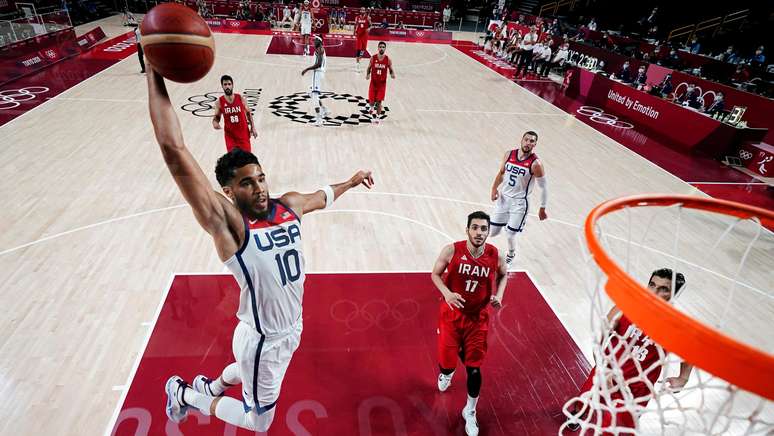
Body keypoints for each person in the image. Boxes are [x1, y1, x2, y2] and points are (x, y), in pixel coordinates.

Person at [145, 64, 375, 434]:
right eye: (247, 184)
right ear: (229, 193)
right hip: (262, 339)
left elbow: (322, 196)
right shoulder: (231, 227)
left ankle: (212, 386)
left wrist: (351, 180)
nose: (260, 188)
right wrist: (154, 71)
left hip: (291, 329)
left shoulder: (289, 206)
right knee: (259, 421)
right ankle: (184, 394)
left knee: (245, 370)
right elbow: (174, 149)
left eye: (261, 178)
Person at [565, 269, 694, 432]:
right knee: (584, 403)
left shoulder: (677, 327)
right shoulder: (625, 307)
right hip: (607, 371)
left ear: (674, 295)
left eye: (663, 289)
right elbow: (599, 340)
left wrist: (683, 378)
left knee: (616, 430)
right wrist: (602, 367)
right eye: (652, 285)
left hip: (638, 388)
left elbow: (689, 353)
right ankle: (578, 414)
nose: (654, 292)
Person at [431, 211, 508, 436]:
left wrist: (499, 295)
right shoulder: (452, 250)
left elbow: (504, 275)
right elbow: (435, 274)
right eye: (475, 228)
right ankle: (446, 373)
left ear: (488, 231)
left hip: (477, 319)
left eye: (484, 229)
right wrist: (446, 293)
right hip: (452, 316)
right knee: (447, 364)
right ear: (467, 230)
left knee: (474, 368)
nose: (479, 232)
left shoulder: (496, 255)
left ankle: (470, 411)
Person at [489, 131, 548, 264]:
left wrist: (542, 207)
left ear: (535, 144)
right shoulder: (509, 154)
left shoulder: (536, 164)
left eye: (532, 141)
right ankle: (507, 224)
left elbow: (544, 187)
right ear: (521, 140)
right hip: (504, 199)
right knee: (492, 232)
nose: (528, 143)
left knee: (510, 234)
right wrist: (494, 188)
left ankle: (511, 254)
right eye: (526, 140)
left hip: (520, 203)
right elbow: (501, 173)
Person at [212, 75, 257, 152]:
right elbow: (217, 117)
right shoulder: (219, 102)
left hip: (243, 134)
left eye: (229, 84)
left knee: (246, 159)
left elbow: (249, 114)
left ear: (232, 85)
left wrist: (253, 128)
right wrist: (215, 123)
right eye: (225, 84)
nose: (227, 86)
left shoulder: (241, 98)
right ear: (222, 86)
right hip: (230, 136)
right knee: (233, 160)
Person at [301, 36, 329, 126]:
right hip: (318, 74)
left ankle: (319, 119)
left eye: (315, 40)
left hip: (317, 74)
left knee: (314, 96)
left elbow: (318, 64)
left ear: (319, 41)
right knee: (310, 92)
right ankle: (324, 110)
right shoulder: (320, 49)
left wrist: (307, 69)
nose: (313, 41)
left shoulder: (320, 49)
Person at [366, 41, 395, 124]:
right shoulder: (373, 58)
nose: (382, 48)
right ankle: (371, 108)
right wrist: (367, 75)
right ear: (378, 48)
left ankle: (377, 117)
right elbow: (368, 68)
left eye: (383, 47)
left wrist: (392, 74)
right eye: (380, 47)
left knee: (379, 102)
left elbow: (391, 69)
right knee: (371, 101)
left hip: (382, 85)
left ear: (385, 48)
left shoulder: (388, 59)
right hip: (373, 83)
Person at [354, 7, 371, 71]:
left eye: (363, 10)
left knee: (363, 50)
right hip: (359, 35)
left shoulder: (368, 18)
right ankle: (357, 65)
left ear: (365, 11)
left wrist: (369, 28)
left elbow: (371, 25)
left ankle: (359, 60)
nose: (362, 10)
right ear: (360, 10)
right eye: (361, 9)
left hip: (365, 36)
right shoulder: (357, 17)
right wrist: (354, 32)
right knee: (358, 50)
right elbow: (355, 25)